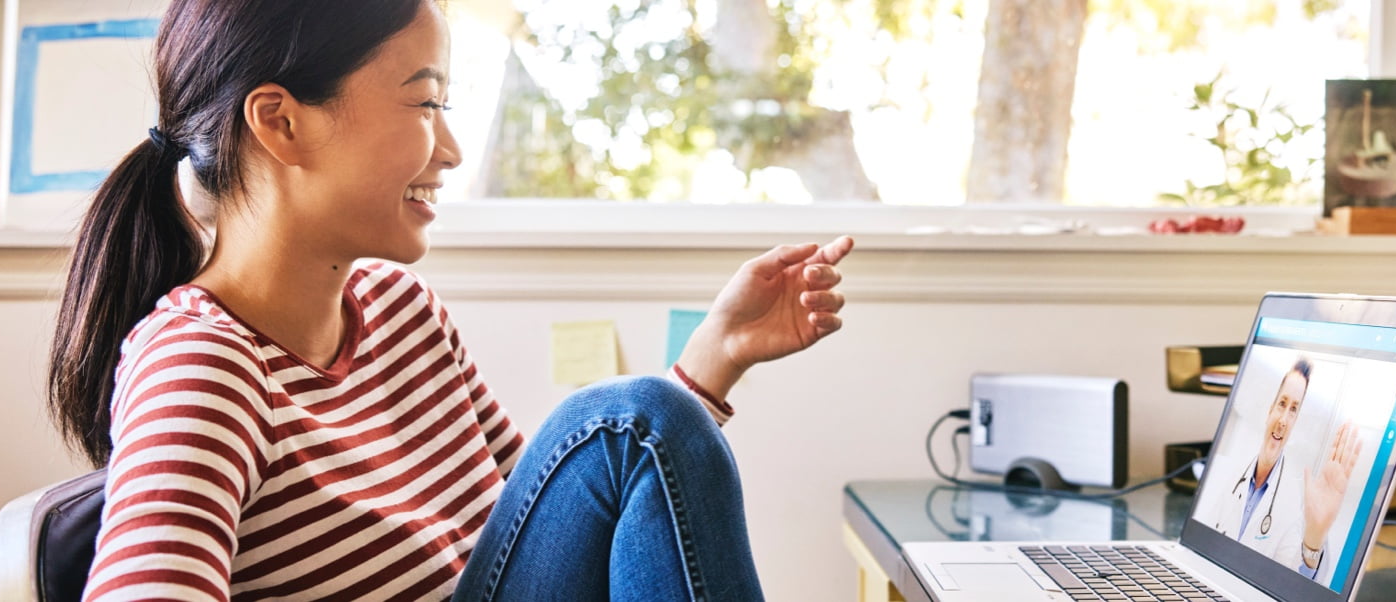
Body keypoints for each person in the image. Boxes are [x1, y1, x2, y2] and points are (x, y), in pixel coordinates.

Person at [43, 2, 853, 600]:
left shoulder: (403, 311)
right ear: (281, 123)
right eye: (425, 102)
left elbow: (552, 507)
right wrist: (652, 416)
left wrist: (715, 359)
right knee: (629, 421)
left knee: (631, 428)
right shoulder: (201, 363)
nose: (453, 148)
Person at [1204, 358, 1363, 583]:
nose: (1283, 420)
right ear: (1271, 409)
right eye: (1282, 404)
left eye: (1294, 409)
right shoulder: (1229, 471)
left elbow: (1294, 584)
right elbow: (1201, 543)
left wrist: (1314, 538)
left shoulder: (1293, 501)